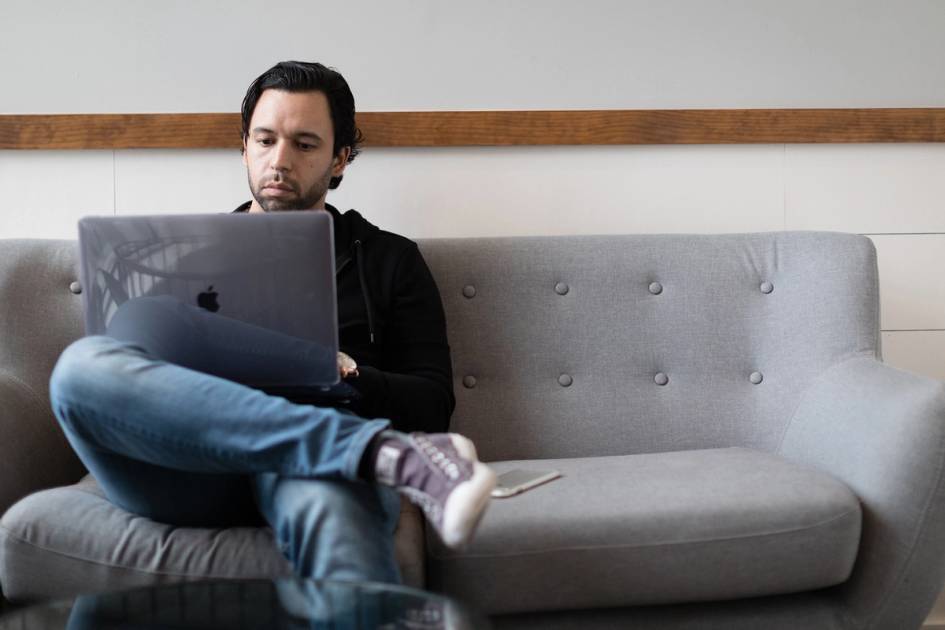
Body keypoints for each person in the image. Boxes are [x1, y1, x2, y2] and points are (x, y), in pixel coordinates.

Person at [49, 61, 496, 586]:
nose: (278, 161)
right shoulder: (186, 257)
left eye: (305, 144)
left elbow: (432, 401)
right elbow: (130, 377)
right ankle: (379, 453)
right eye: (265, 140)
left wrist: (344, 373)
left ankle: (354, 453)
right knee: (79, 370)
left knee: (334, 521)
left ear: (340, 159)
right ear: (243, 146)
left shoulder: (390, 260)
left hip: (314, 473)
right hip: (196, 461)